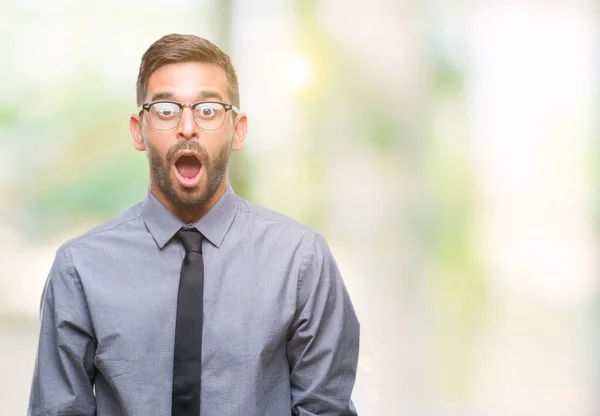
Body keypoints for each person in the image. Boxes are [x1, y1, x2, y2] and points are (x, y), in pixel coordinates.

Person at [27, 33, 360, 416]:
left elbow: (325, 408)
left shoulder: (302, 261)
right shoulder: (79, 268)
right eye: (167, 109)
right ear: (139, 130)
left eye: (208, 109)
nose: (187, 127)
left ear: (238, 129)